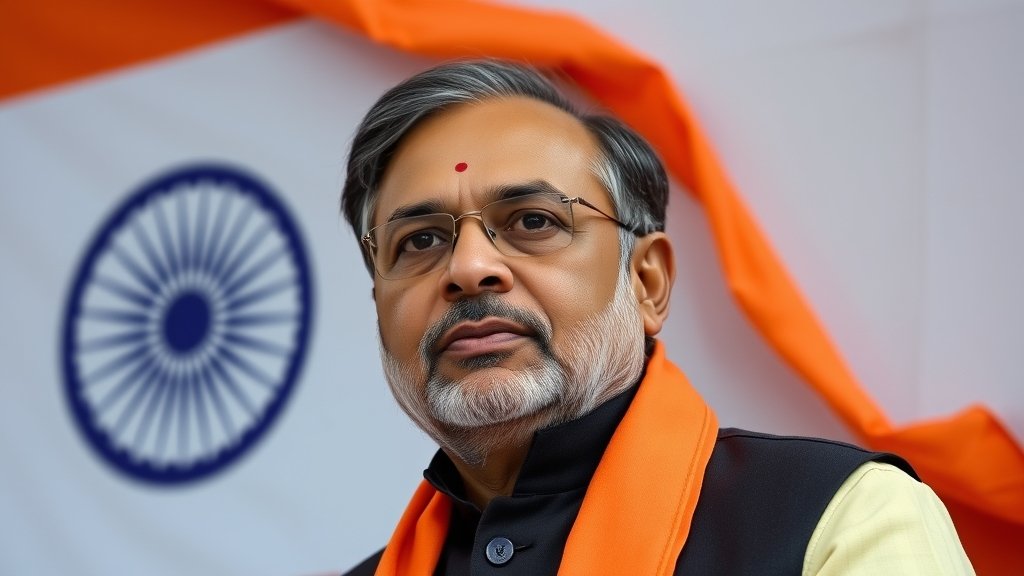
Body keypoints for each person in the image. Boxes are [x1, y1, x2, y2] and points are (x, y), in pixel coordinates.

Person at [340, 60, 973, 575]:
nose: (469, 267)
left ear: (647, 281)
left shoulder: (838, 520)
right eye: (419, 241)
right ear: (379, 307)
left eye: (534, 222)